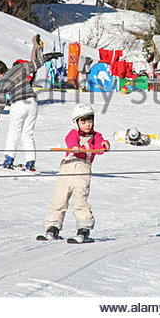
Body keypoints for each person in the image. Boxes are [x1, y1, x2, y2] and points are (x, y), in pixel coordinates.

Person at [42, 104, 110, 243]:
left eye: (90, 121)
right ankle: (52, 226)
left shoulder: (95, 136)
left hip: (83, 170)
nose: (87, 125)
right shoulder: (73, 134)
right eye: (83, 122)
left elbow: (100, 144)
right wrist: (74, 147)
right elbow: (70, 140)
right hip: (67, 167)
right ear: (76, 123)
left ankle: (83, 229)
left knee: (81, 198)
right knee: (59, 198)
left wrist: (104, 144)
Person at [0, 50, 63, 171]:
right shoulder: (18, 68)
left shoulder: (2, 83)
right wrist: (48, 57)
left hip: (18, 104)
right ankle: (30, 162)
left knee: (13, 133)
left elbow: (0, 103)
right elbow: (35, 64)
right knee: (28, 134)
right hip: (32, 103)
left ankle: (9, 159)